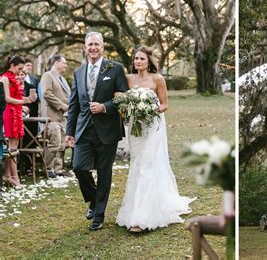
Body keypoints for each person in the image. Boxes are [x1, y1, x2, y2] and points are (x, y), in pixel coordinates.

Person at [116, 46, 195, 233]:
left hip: (153, 126)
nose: (138, 62)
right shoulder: (128, 79)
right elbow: (120, 98)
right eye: (136, 59)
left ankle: (140, 218)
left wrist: (149, 110)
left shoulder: (157, 79)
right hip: (135, 128)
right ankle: (136, 207)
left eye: (142, 59)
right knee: (137, 164)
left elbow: (165, 104)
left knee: (147, 165)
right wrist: (130, 108)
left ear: (149, 61)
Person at [65, 32, 129, 231]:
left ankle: (98, 216)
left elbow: (123, 97)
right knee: (79, 167)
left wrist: (105, 107)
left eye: (96, 44)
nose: (93, 48)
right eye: (90, 44)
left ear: (102, 47)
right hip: (84, 129)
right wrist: (69, 132)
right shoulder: (79, 72)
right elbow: (74, 104)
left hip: (107, 130)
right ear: (85, 47)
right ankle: (93, 199)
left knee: (104, 172)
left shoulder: (116, 68)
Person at [0, 55, 35, 187]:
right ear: (12, 65)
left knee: (14, 145)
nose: (20, 71)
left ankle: (8, 175)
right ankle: (13, 177)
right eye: (19, 68)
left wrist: (27, 99)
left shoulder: (14, 78)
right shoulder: (4, 78)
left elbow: (17, 96)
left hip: (17, 112)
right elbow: (7, 99)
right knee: (12, 146)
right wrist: (23, 101)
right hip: (9, 112)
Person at [40, 55, 70, 178]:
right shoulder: (47, 75)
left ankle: (58, 169)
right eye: (64, 63)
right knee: (55, 142)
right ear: (57, 62)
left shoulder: (62, 79)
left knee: (62, 144)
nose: (66, 65)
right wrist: (62, 106)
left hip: (63, 117)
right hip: (50, 116)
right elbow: (47, 93)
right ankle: (48, 168)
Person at [21, 58, 40, 175]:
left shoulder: (30, 86)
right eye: (20, 74)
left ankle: (28, 167)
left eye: (23, 74)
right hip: (17, 117)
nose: (21, 76)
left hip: (30, 118)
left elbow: (34, 104)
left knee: (30, 139)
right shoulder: (12, 86)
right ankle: (19, 165)